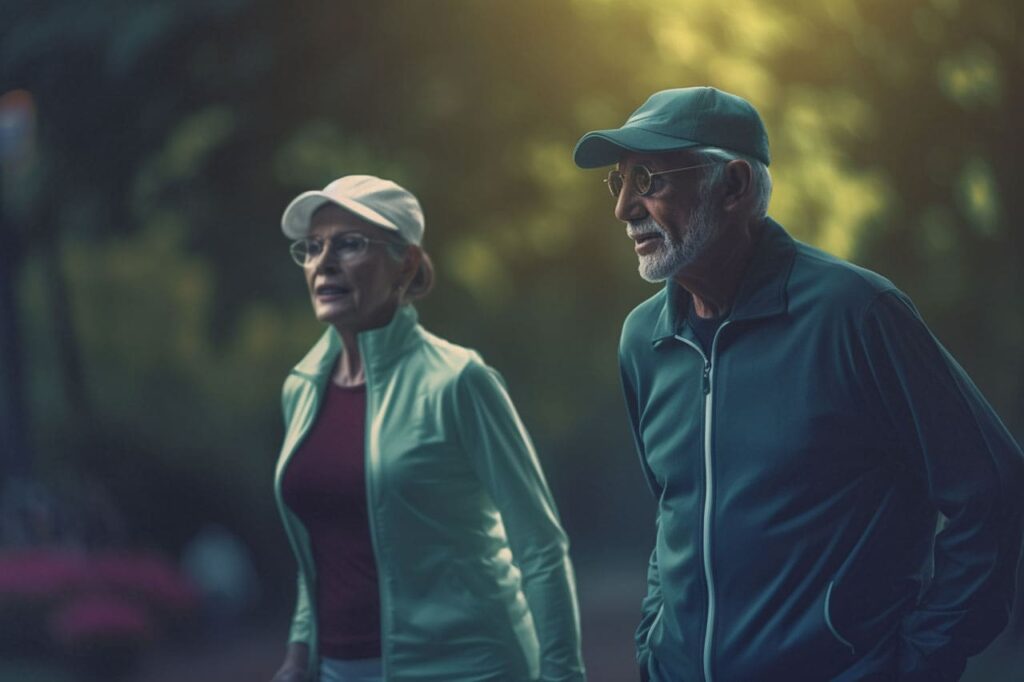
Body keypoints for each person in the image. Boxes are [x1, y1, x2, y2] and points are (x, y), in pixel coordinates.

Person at [572, 87, 1024, 682]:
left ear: (732, 186)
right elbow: (673, 512)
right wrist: (656, 645)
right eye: (618, 182)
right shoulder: (642, 341)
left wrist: (918, 660)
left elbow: (991, 490)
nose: (624, 207)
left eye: (649, 179)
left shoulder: (857, 313)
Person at [270, 175, 585, 682]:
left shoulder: (459, 380)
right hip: (335, 671)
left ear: (407, 262)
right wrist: (298, 654)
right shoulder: (301, 388)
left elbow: (540, 546)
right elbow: (322, 544)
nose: (323, 262)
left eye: (349, 244)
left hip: (467, 666)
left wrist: (562, 675)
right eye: (312, 247)